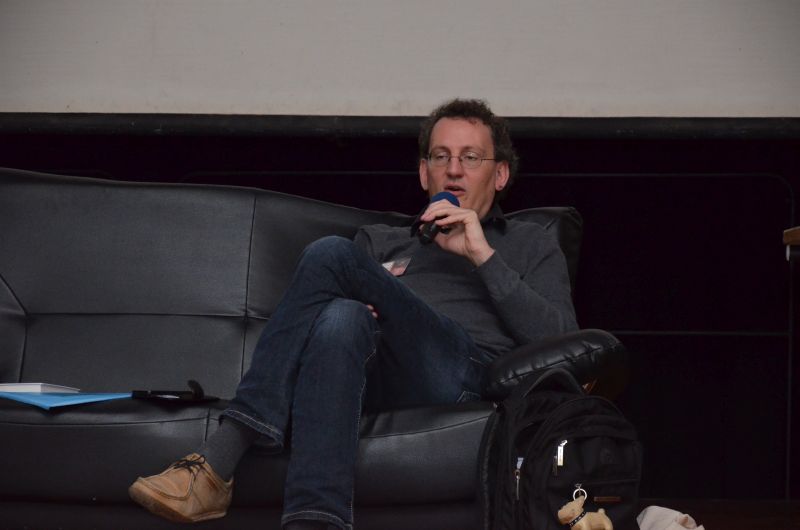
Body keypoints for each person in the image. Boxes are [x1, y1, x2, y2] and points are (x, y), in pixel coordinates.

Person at [128, 98, 578, 529]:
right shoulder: (381, 241)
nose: (454, 169)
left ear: (500, 174)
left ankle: (221, 456)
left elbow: (562, 343)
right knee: (342, 318)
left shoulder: (529, 242)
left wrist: (482, 254)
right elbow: (330, 323)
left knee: (331, 254)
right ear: (424, 172)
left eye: (471, 157)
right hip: (370, 373)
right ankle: (313, 521)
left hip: (461, 375)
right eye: (441, 156)